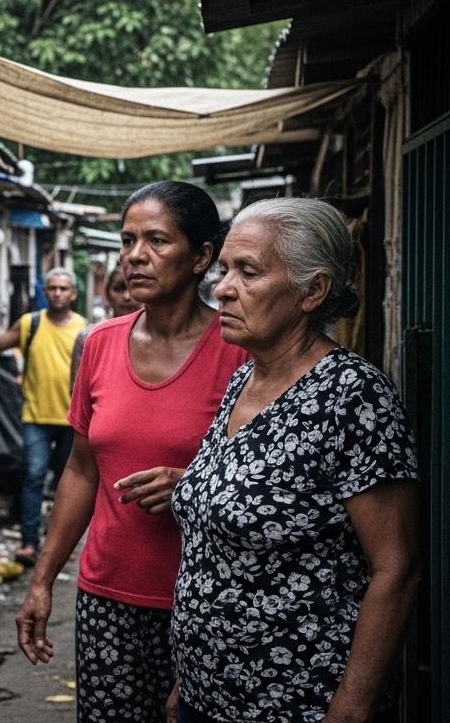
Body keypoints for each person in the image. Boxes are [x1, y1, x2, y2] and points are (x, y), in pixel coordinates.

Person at [169, 198, 419, 723]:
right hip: (206, 694)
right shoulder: (245, 378)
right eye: (224, 270)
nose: (222, 288)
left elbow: (396, 568)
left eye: (248, 272)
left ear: (313, 291)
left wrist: (350, 708)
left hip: (298, 702)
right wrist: (188, 680)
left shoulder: (352, 396)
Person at [15, 180, 249, 722]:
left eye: (157, 241)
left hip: (207, 605)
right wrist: (43, 581)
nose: (135, 257)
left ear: (202, 257)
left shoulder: (237, 351)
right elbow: (80, 470)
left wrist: (190, 485)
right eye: (127, 241)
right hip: (107, 597)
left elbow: (257, 485)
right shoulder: (98, 343)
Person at [0, 267, 87, 563]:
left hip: (73, 420)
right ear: (44, 292)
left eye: (63, 288)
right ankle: (29, 543)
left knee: (65, 484)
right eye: (52, 288)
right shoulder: (30, 324)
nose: (57, 293)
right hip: (35, 417)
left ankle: (58, 545)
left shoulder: (85, 329)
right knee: (33, 476)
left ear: (73, 294)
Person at [71, 268, 141, 389]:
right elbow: (77, 396)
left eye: (134, 288)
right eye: (119, 289)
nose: (127, 296)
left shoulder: (161, 339)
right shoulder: (89, 337)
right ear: (107, 295)